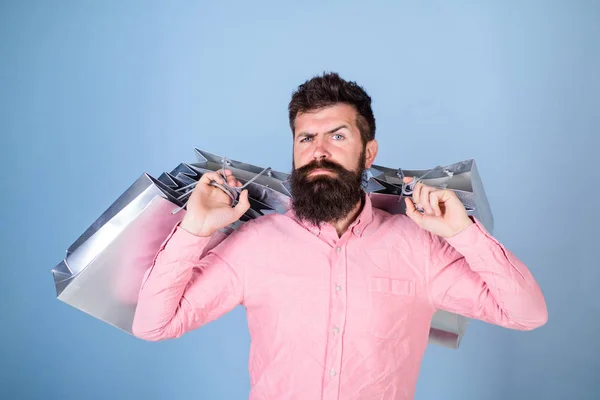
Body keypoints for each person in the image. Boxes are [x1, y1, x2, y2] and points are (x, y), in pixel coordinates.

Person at [132, 72, 547, 400]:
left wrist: (461, 232)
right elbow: (154, 325)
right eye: (306, 138)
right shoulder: (255, 244)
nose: (319, 151)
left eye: (338, 136)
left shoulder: (418, 247)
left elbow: (526, 314)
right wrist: (194, 229)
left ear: (368, 153)